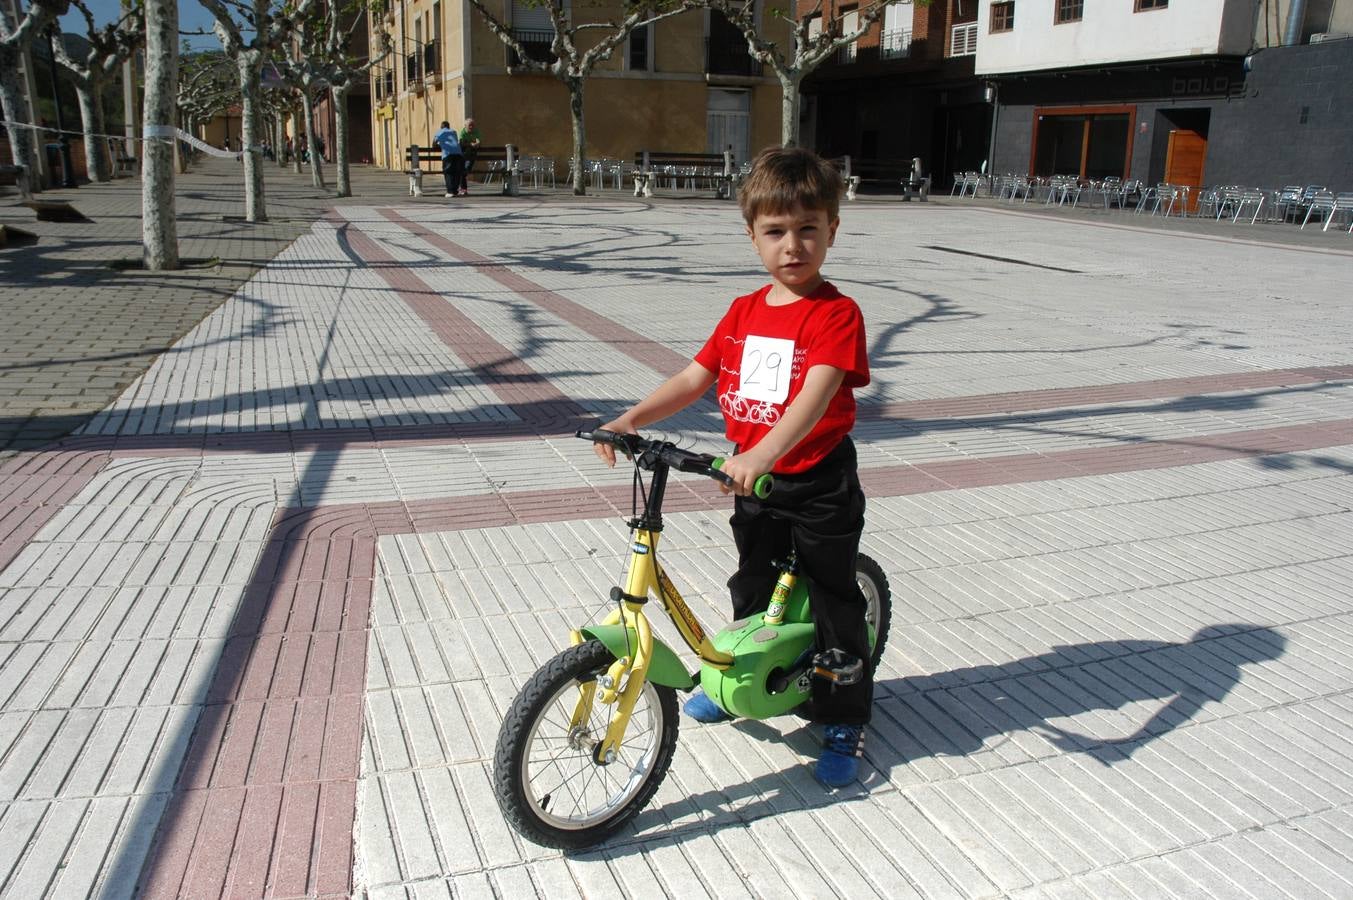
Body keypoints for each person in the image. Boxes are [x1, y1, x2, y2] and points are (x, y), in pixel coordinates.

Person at [594, 147, 872, 788]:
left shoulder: (836, 314)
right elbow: (695, 377)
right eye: (775, 231)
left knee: (832, 600)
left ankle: (843, 714)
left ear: (832, 230)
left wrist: (761, 453)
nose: (792, 245)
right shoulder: (744, 311)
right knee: (751, 585)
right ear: (752, 235)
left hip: (818, 480)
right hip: (752, 482)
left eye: (808, 228)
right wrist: (629, 419)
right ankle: (737, 679)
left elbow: (816, 395)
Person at [433, 120, 464, 198]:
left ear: (441, 126)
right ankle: (455, 191)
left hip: (448, 154)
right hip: (458, 153)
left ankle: (450, 192)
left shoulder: (439, 132)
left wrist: (440, 144)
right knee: (456, 172)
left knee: (448, 172)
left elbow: (434, 144)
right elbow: (455, 141)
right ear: (449, 126)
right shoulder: (454, 132)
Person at [458, 118, 482, 195]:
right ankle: (463, 189)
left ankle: (462, 188)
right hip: (463, 154)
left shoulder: (476, 131)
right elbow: (461, 143)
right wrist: (471, 144)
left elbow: (478, 141)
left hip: (471, 154)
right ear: (465, 126)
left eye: (472, 125)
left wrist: (477, 143)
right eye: (469, 125)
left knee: (466, 170)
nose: (471, 127)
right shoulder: (463, 132)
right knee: (463, 171)